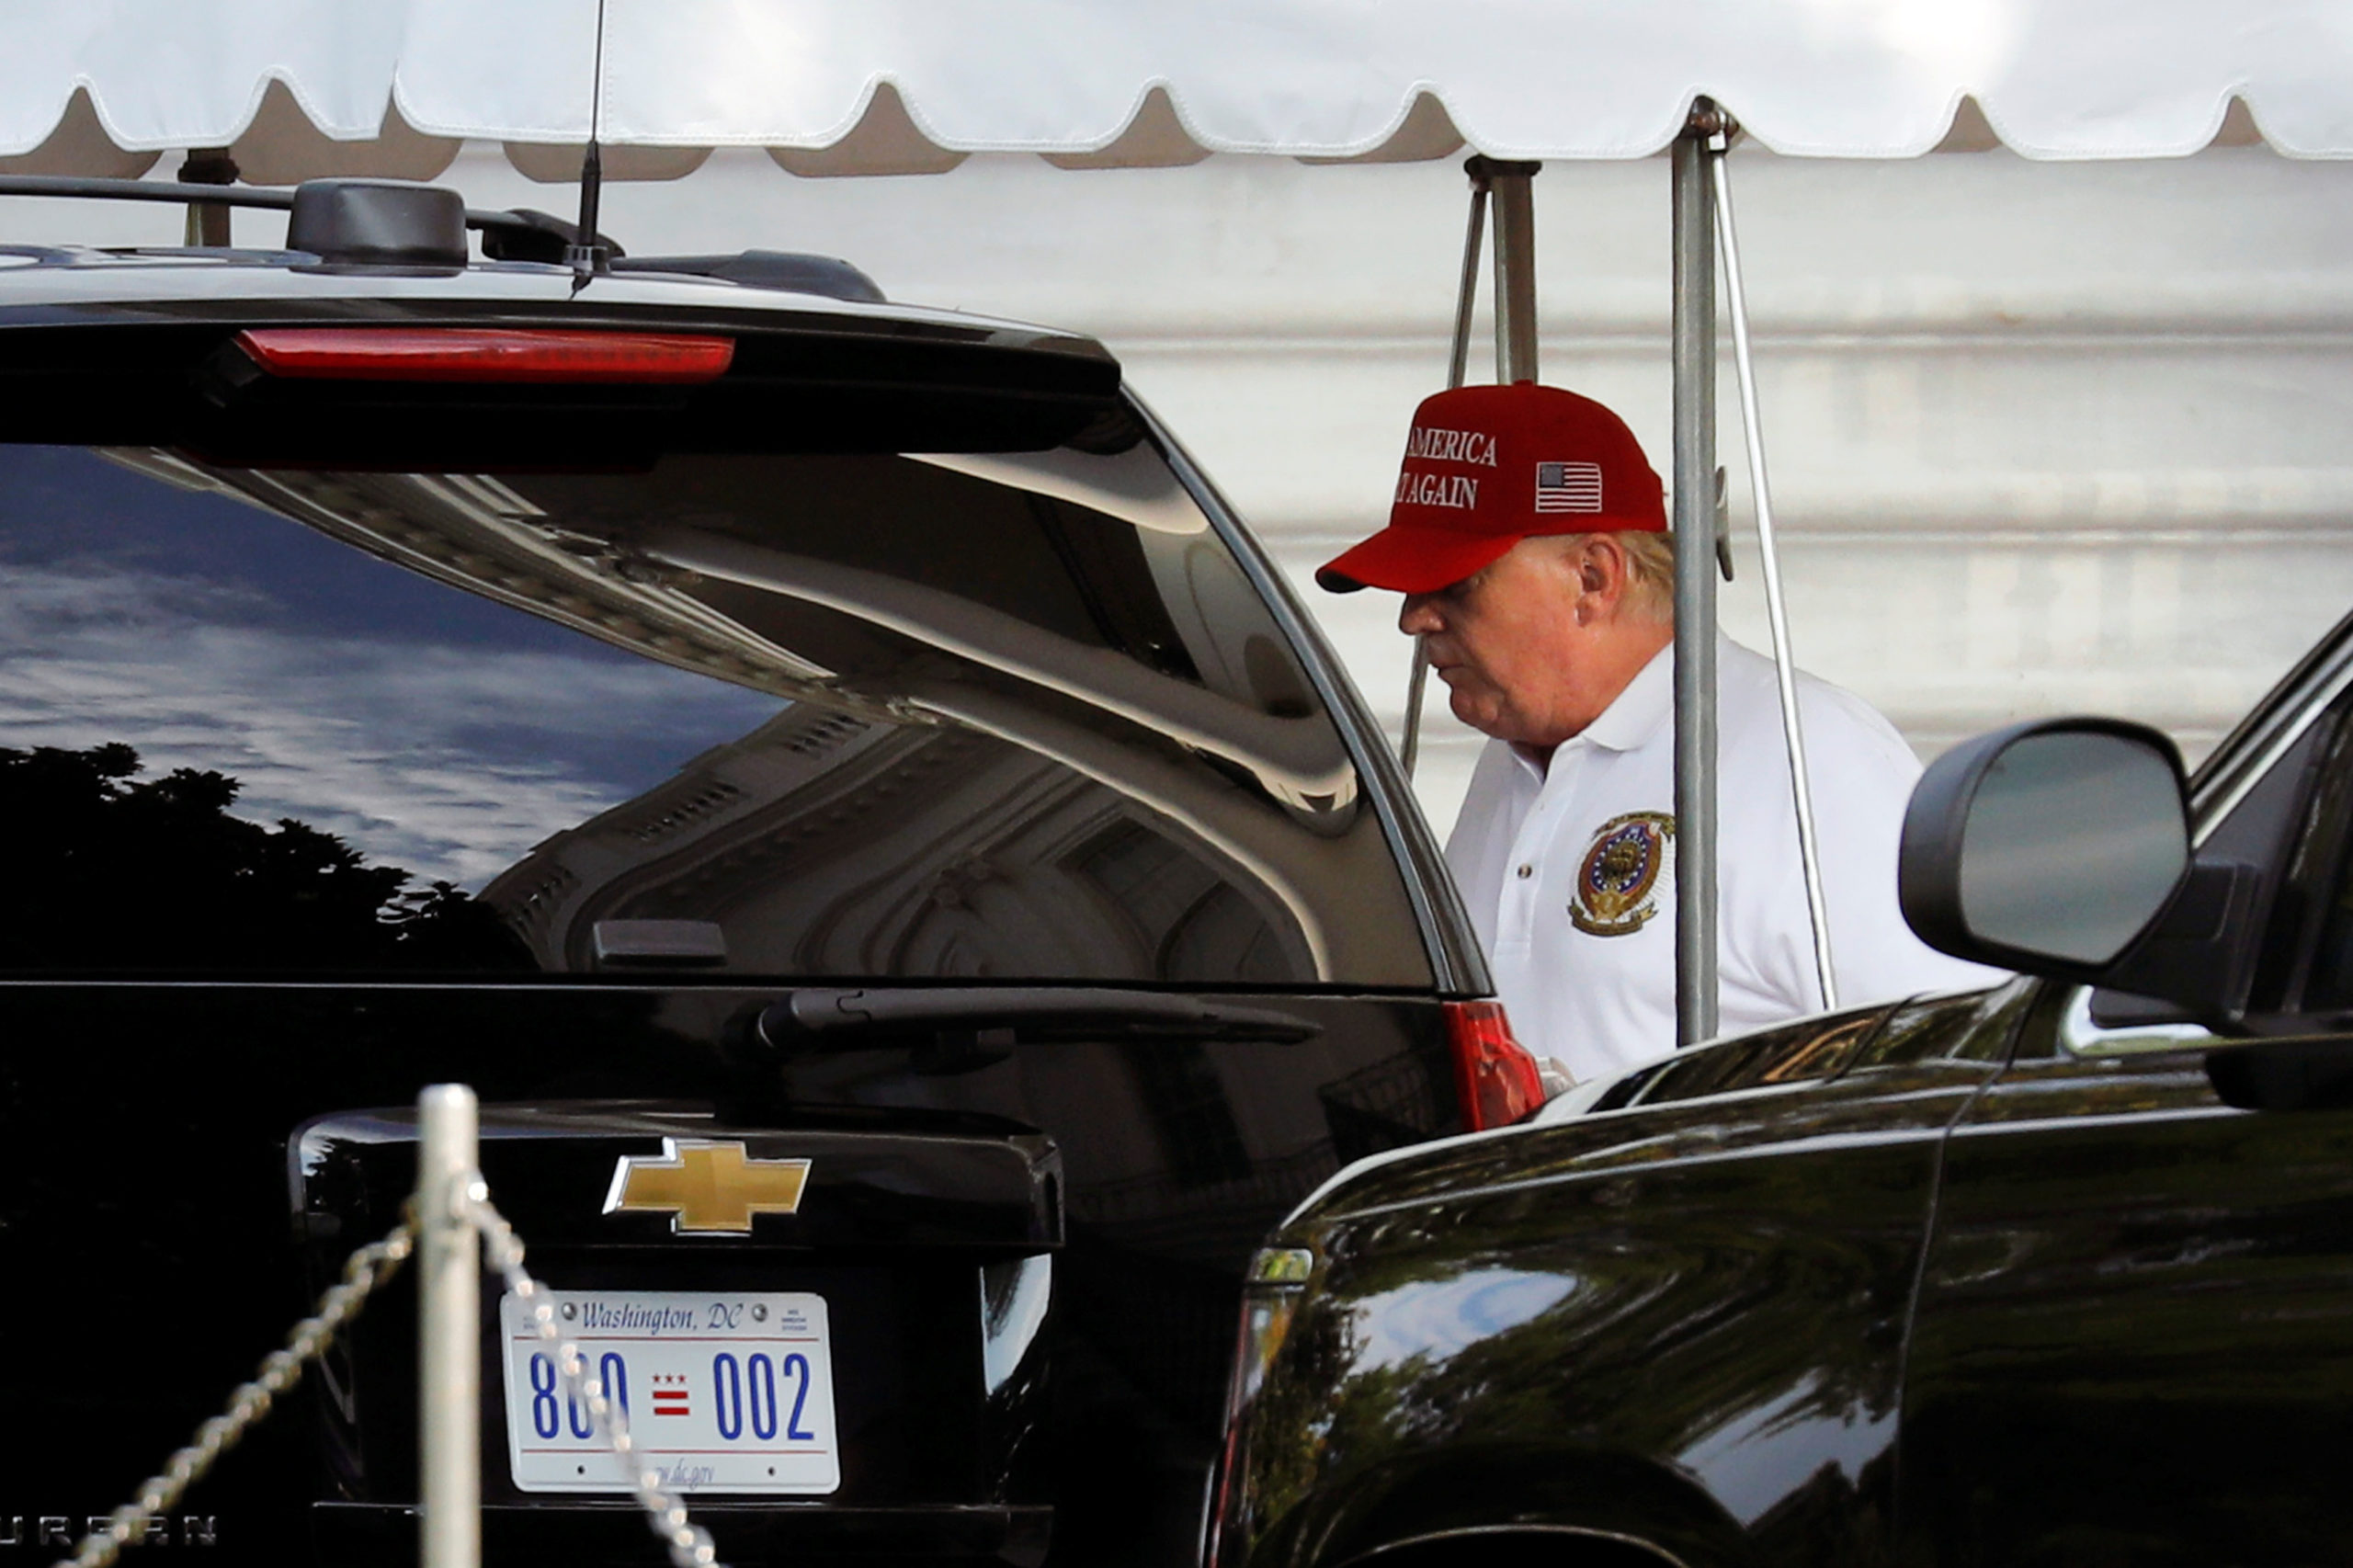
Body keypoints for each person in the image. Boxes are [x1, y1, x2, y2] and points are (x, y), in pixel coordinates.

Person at [1317, 381, 1999, 1082]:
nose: (1414, 618)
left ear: (1593, 576)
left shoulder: (1809, 759)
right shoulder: (1516, 754)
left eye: (1453, 585)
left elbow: (1944, 1071)